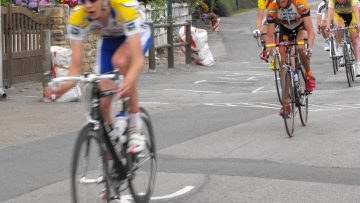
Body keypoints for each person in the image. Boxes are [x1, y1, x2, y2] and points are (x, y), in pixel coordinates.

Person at [45, 0, 152, 153]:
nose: (88, 5)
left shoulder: (124, 6)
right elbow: (76, 67)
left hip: (137, 34)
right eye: (83, 1)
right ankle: (112, 145)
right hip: (109, 40)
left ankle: (136, 123)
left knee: (121, 61)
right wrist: (62, 88)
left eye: (93, 0)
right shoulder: (78, 17)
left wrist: (129, 80)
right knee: (103, 103)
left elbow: (137, 61)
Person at [264, 0, 316, 116]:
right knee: (283, 62)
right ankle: (286, 104)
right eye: (278, 1)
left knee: (300, 47)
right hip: (285, 29)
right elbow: (270, 34)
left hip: (300, 27)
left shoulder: (300, 4)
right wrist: (267, 50)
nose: (280, 3)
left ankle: (308, 74)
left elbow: (311, 31)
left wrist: (310, 47)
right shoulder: (273, 7)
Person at [326, 0, 360, 76]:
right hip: (339, 15)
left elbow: (356, 12)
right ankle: (340, 46)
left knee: (355, 40)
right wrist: (328, 26)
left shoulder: (352, 1)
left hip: (351, 15)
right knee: (338, 27)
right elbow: (330, 14)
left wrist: (358, 23)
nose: (340, 1)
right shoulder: (332, 1)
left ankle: (358, 65)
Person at [254, 0, 276, 70]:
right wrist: (258, 30)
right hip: (271, 16)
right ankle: (273, 58)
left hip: (284, 15)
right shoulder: (262, 0)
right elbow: (260, 17)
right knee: (263, 32)